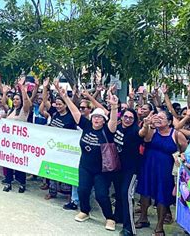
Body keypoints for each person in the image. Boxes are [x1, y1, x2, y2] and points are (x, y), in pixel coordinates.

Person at [60, 82, 119, 231]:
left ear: (103, 120)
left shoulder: (107, 130)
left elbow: (113, 121)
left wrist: (113, 107)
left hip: (101, 170)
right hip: (85, 166)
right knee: (82, 190)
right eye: (95, 117)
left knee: (101, 195)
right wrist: (65, 97)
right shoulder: (86, 125)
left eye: (100, 118)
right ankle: (85, 211)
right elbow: (74, 112)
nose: (97, 120)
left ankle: (110, 218)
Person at [135, 111, 188, 236]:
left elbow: (185, 151)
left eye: (161, 118)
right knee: (145, 192)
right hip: (148, 166)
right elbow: (146, 139)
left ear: (169, 122)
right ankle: (143, 218)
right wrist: (148, 125)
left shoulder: (177, 134)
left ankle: (159, 226)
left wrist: (180, 158)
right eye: (156, 117)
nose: (158, 119)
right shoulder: (153, 131)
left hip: (165, 170)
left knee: (162, 195)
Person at [110, 108, 144, 236]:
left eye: (131, 117)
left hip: (131, 169)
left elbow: (143, 133)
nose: (128, 119)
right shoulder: (117, 127)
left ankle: (129, 228)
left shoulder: (135, 130)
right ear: (121, 117)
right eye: (126, 116)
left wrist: (146, 125)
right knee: (118, 193)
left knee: (126, 195)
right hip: (117, 167)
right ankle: (118, 216)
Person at [2, 76, 32, 193]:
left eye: (17, 99)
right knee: (9, 162)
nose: (15, 101)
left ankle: (21, 183)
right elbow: (3, 103)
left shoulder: (24, 111)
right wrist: (4, 93)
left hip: (20, 142)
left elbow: (26, 103)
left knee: (20, 163)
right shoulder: (10, 110)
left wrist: (22, 89)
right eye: (14, 99)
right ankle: (8, 182)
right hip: (10, 141)